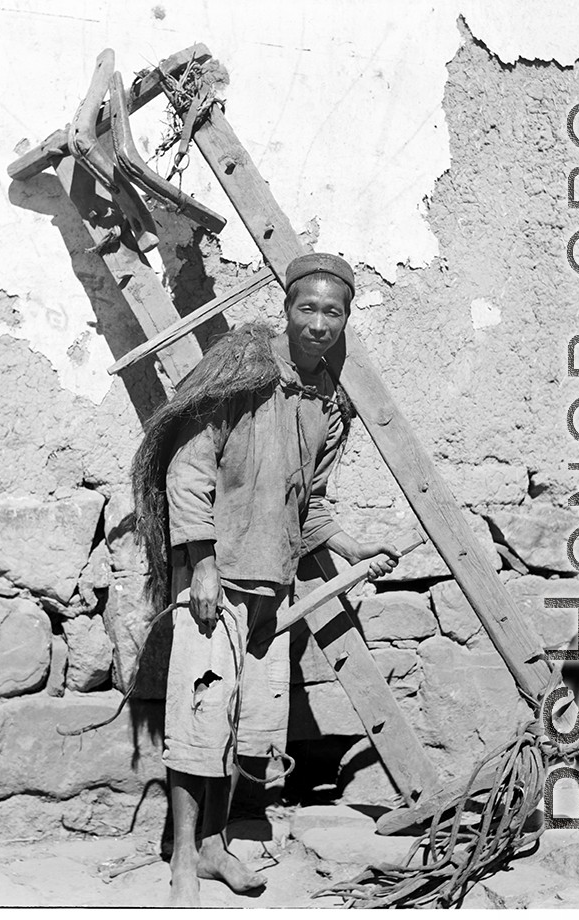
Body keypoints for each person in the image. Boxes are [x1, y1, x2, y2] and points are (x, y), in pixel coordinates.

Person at [132, 253, 400, 907]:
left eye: (331, 312)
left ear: (344, 320)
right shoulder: (245, 377)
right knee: (197, 724)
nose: (318, 322)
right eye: (306, 307)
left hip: (271, 590)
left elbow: (309, 506)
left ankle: (215, 846)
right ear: (286, 309)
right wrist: (201, 563)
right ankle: (182, 866)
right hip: (214, 590)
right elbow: (187, 473)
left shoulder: (318, 404)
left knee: (243, 728)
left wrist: (358, 547)